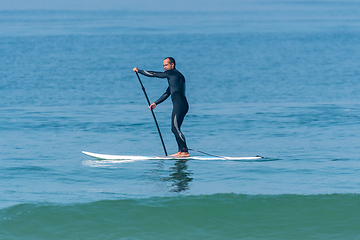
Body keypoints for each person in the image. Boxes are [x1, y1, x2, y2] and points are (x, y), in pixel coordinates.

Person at [133, 57, 190, 157]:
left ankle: (185, 151)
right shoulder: (176, 76)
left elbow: (155, 74)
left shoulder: (172, 73)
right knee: (175, 128)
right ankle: (181, 151)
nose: (164, 67)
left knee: (175, 128)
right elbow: (167, 93)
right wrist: (156, 103)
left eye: (166, 65)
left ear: (172, 65)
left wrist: (140, 71)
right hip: (182, 104)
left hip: (180, 105)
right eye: (163, 65)